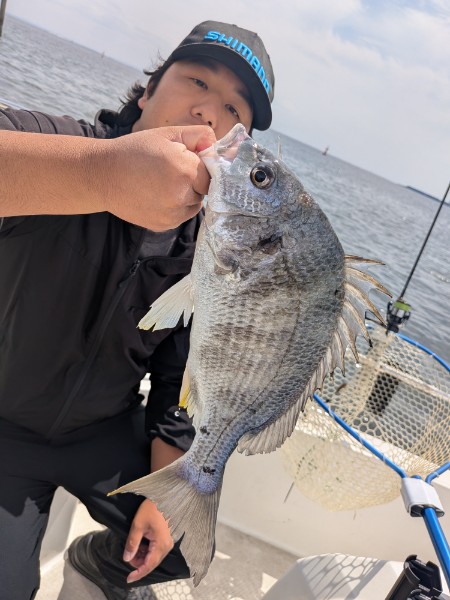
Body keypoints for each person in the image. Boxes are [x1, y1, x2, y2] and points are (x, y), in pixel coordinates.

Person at [0, 20, 275, 600]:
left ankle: (94, 563)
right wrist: (99, 174)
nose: (209, 112)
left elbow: (181, 374)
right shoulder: (67, 146)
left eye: (234, 109)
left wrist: (166, 490)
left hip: (102, 428)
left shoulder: (211, 244)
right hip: (5, 423)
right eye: (197, 80)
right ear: (147, 92)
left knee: (184, 539)